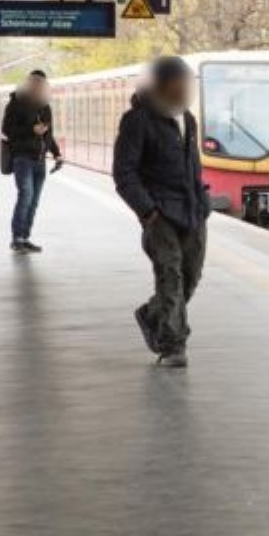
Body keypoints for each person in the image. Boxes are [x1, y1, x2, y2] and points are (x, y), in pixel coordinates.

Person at [113, 56, 211, 369]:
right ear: (161, 86)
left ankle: (151, 315)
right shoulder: (137, 121)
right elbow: (124, 173)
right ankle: (173, 346)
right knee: (171, 277)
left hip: (193, 212)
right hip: (161, 215)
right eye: (177, 85)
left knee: (190, 277)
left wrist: (204, 202)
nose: (183, 90)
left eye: (186, 85)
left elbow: (193, 166)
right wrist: (148, 211)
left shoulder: (189, 120)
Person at [1, 70, 62, 253]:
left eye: (42, 84)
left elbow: (48, 134)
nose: (39, 87)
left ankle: (25, 237)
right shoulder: (16, 103)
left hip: (40, 160)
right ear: (29, 84)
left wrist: (57, 153)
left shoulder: (45, 106)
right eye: (36, 83)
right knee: (25, 196)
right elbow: (7, 130)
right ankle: (17, 239)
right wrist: (31, 129)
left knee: (34, 201)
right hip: (23, 158)